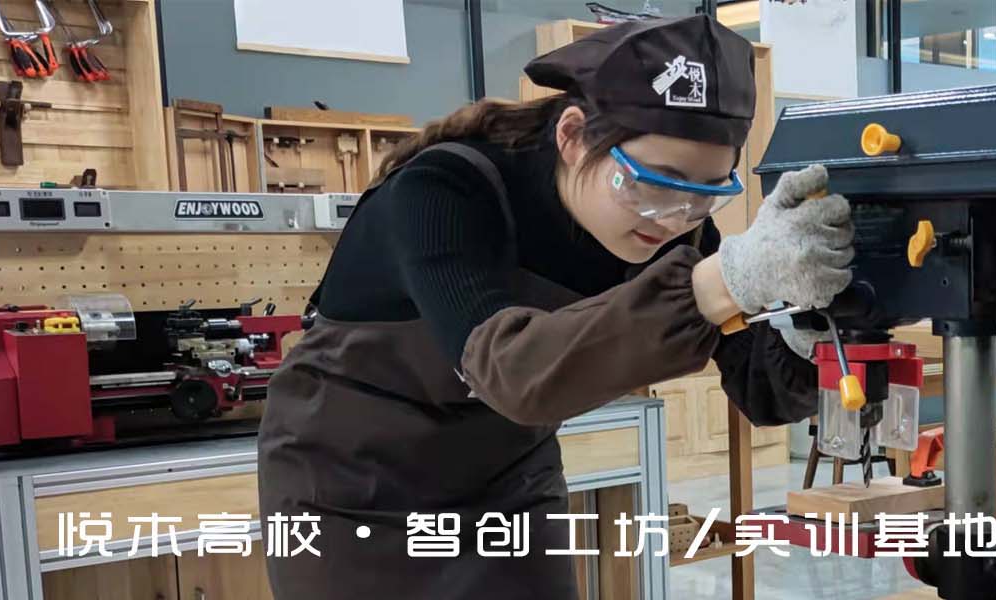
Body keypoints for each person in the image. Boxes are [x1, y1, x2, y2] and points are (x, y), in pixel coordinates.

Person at [257, 15, 853, 598]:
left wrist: (807, 330)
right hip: (350, 486)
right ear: (573, 135)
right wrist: (721, 282)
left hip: (505, 477)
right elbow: (512, 373)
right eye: (650, 184)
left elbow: (763, 391)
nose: (673, 218)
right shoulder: (442, 191)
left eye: (702, 196)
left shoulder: (676, 228)